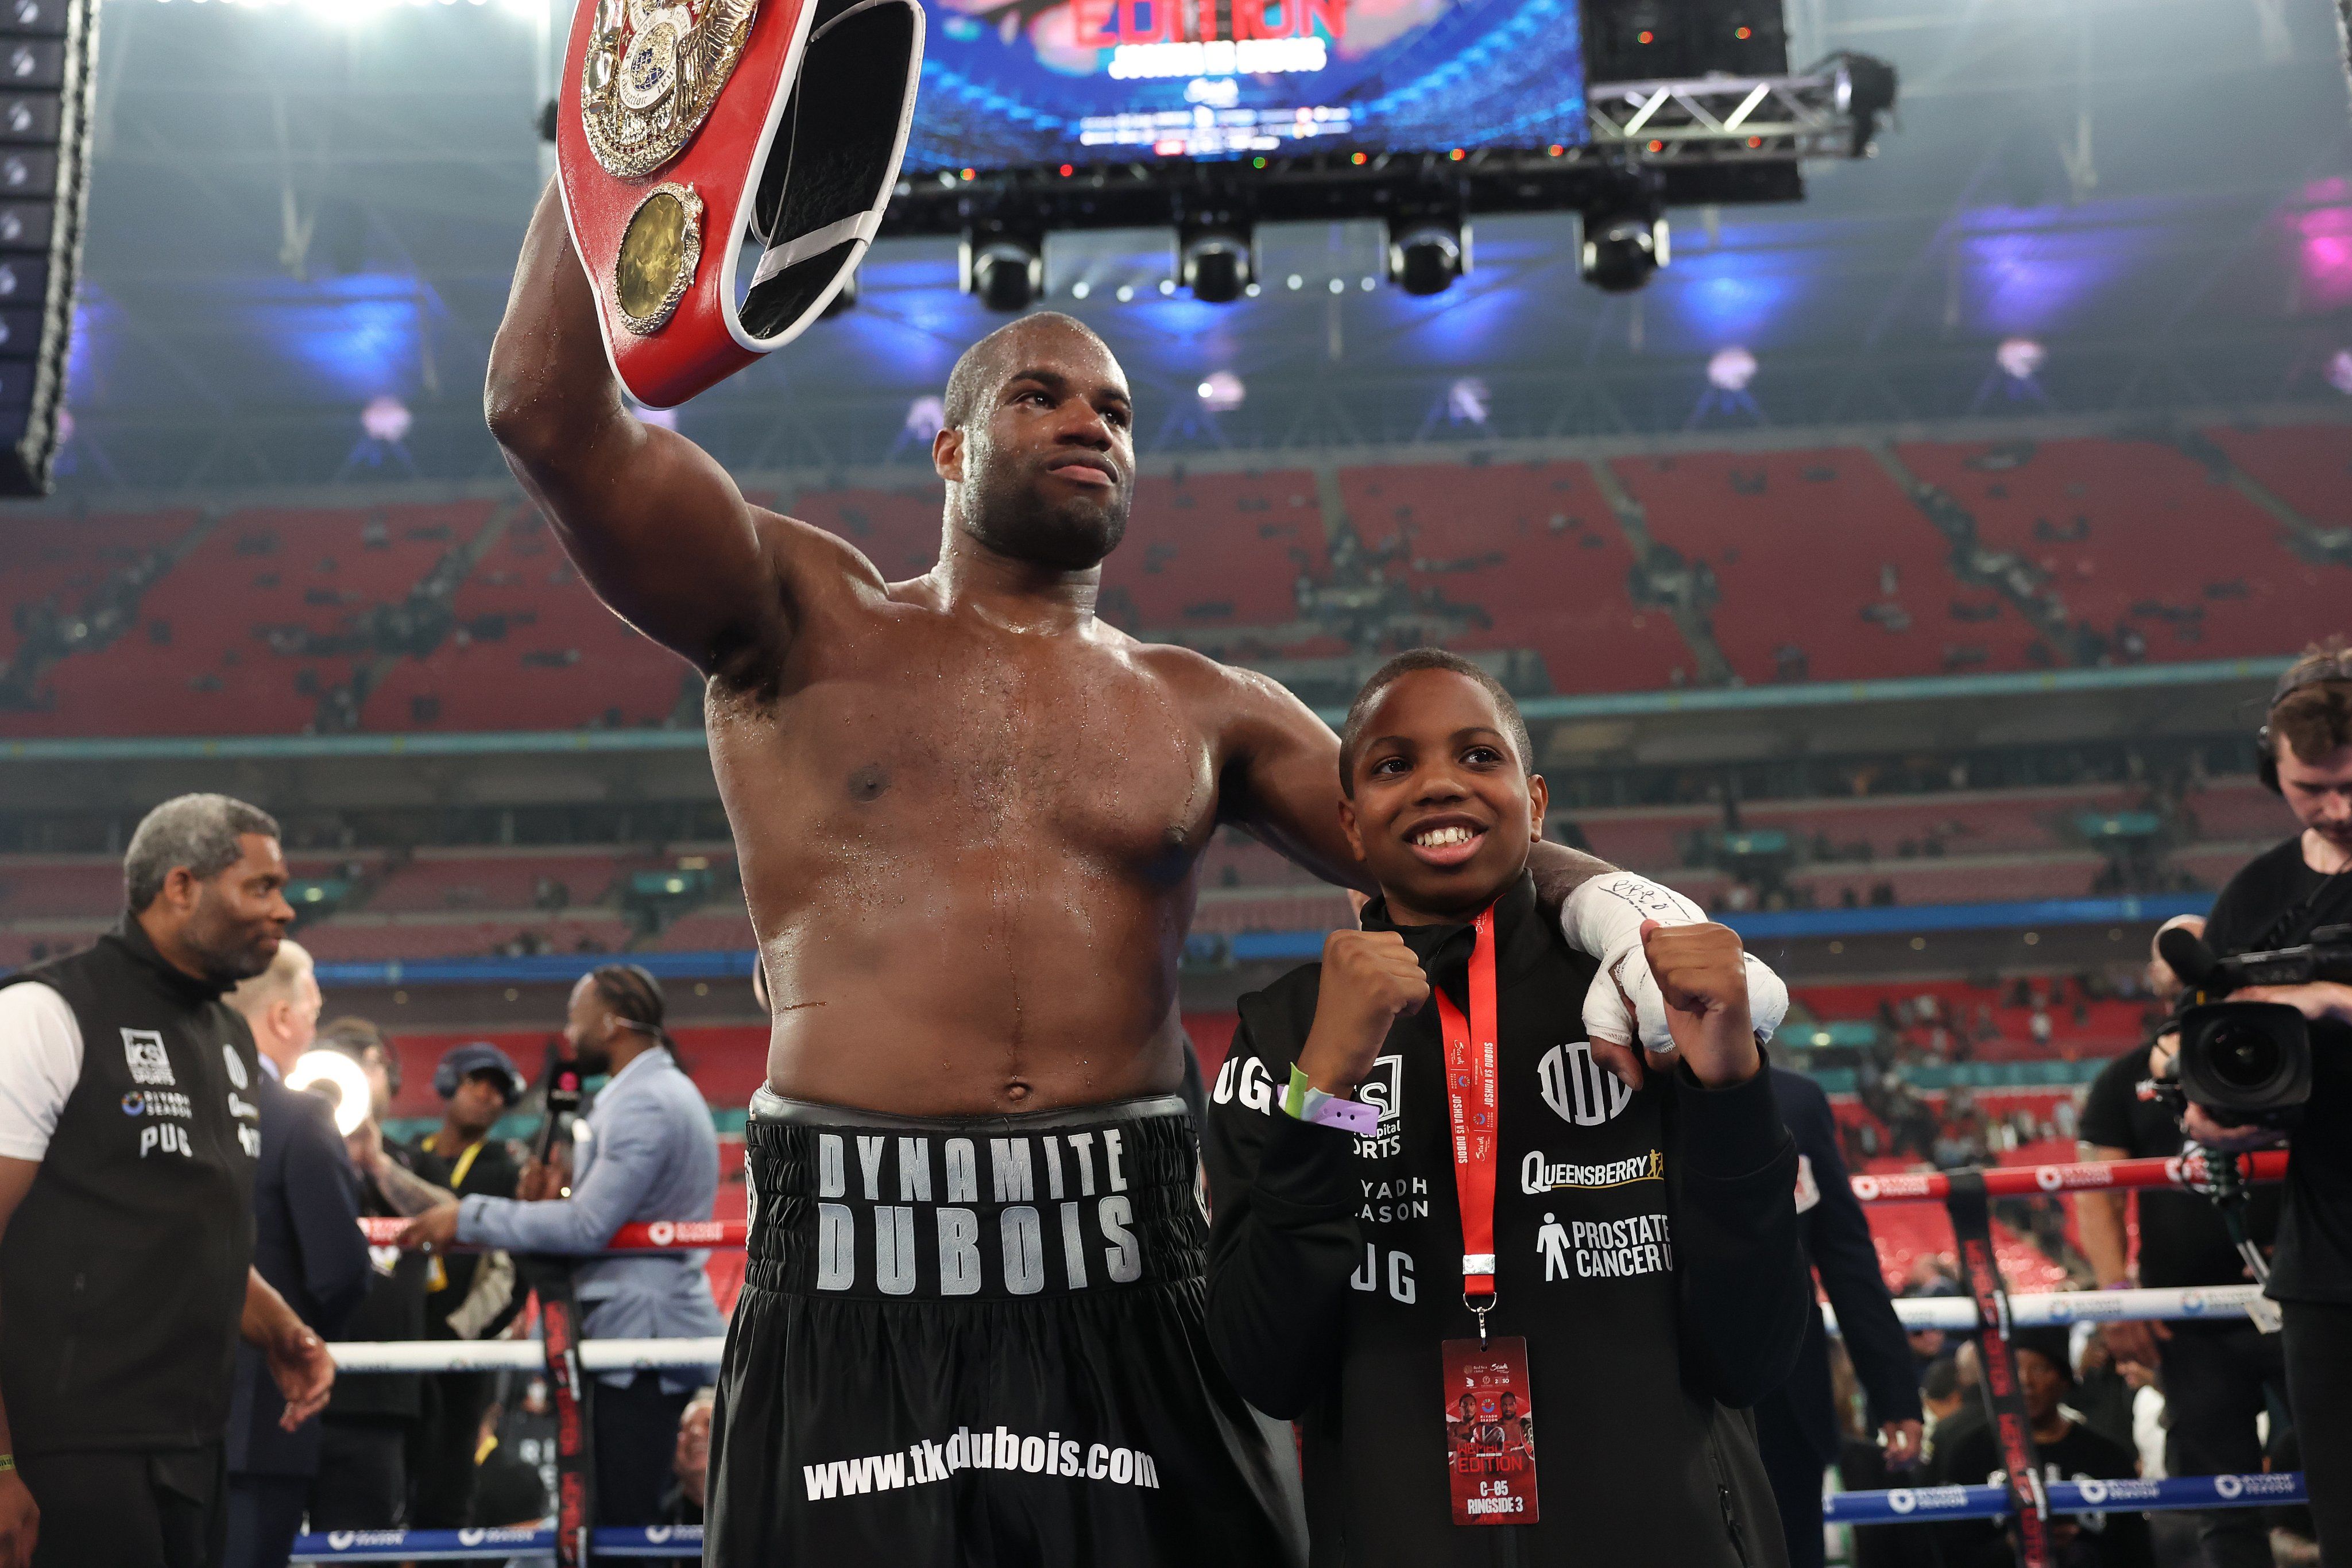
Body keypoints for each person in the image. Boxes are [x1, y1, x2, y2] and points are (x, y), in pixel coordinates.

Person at [482, 173, 1788, 1563]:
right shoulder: (800, 616)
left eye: (1112, 410)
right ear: (948, 447)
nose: (1087, 423)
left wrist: (1613, 902)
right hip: (852, 1264)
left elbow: (1447, 831)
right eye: (1041, 395)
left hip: (1132, 1258)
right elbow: (546, 419)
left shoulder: (1204, 705)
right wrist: (610, 142)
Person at [1201, 650, 1811, 1565]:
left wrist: (1730, 1091)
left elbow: (1753, 1354)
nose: (1439, 782)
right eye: (1393, 764)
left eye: (1479, 755)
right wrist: (1321, 1092)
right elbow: (1265, 1363)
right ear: (1349, 823)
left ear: (1536, 801)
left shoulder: (1646, 1003)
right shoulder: (1285, 1032)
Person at [0, 793, 336, 1568]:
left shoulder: (223, 1033)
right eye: (260, 887)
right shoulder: (45, 1013)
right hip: (65, 1456)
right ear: (180, 885)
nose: (284, 910)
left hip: (193, 1447)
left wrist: (280, 1323)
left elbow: (185, 1221)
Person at [397, 965, 727, 1527]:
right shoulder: (643, 1093)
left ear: (612, 1022)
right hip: (635, 1329)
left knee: (624, 1522)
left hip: (637, 1338)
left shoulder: (645, 1100)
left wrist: (468, 1215)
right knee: (628, 1517)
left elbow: (587, 1225)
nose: (568, 1036)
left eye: (576, 1020)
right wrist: (555, 1195)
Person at [2167, 640, 2352, 1564]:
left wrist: (2329, 1000)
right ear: (2269, 769)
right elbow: (2215, 1051)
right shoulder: (2260, 892)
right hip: (2329, 1261)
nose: (2339, 808)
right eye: (2312, 787)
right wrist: (2211, 1111)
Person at [2075, 913, 2282, 1568]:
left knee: (2332, 1456)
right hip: (2187, 1313)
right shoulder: (2123, 1078)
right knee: (2221, 1494)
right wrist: (2115, 1297)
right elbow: (2095, 1190)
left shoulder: (2286, 1050)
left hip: (2301, 1291)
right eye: (2173, 953)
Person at [221, 939, 373, 1568]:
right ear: (283, 1017)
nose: (314, 1025)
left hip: (161, 1417)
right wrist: (304, 1346)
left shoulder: (173, 1108)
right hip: (264, 1412)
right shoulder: (298, 1115)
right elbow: (340, 1269)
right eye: (312, 1010)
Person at [1754, 1063, 1924, 1568]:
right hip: (1670, 1400)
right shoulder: (1625, 1092)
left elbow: (1845, 1255)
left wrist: (1894, 1393)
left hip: (1784, 1401)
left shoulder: (1795, 1101)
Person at [307, 1019, 435, 1531]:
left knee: (364, 1552)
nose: (356, 1073)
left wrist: (377, 1163)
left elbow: (451, 1217)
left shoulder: (411, 1162)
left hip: (377, 1401)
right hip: (293, 1385)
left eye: (368, 1061)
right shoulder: (294, 1156)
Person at [407, 1042, 527, 1530]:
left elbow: (517, 1272)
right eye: (479, 1081)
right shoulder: (411, 1157)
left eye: (500, 1090)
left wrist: (466, 1333)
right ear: (448, 1083)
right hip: (403, 1337)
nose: (490, 1096)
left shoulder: (507, 1168)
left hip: (463, 1348)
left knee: (449, 1484)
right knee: (396, 1475)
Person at [1928, 1327, 2153, 1568]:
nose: (2026, 1381)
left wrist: (2082, 1549)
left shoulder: (2106, 1456)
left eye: (2040, 1369)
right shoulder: (1970, 1452)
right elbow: (1950, 1551)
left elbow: (2135, 1551)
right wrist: (2011, 1546)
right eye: (2014, 1369)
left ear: (2064, 1379)